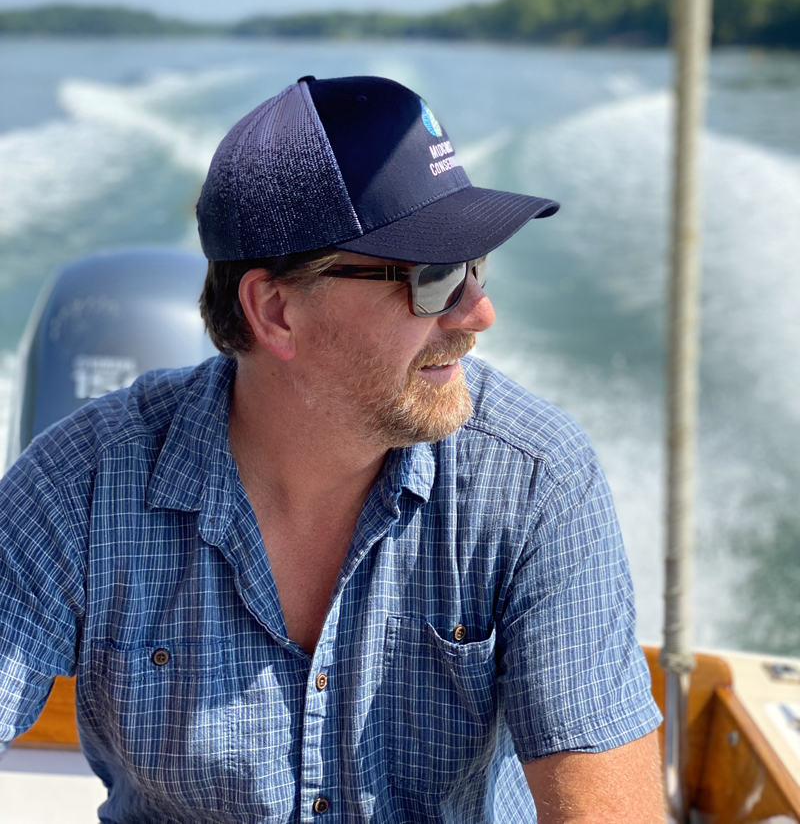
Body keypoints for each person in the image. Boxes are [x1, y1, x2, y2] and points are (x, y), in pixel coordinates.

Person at [0, 75, 664, 823]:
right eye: (434, 276)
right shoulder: (78, 488)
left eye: (476, 264)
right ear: (276, 311)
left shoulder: (536, 483)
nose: (479, 311)